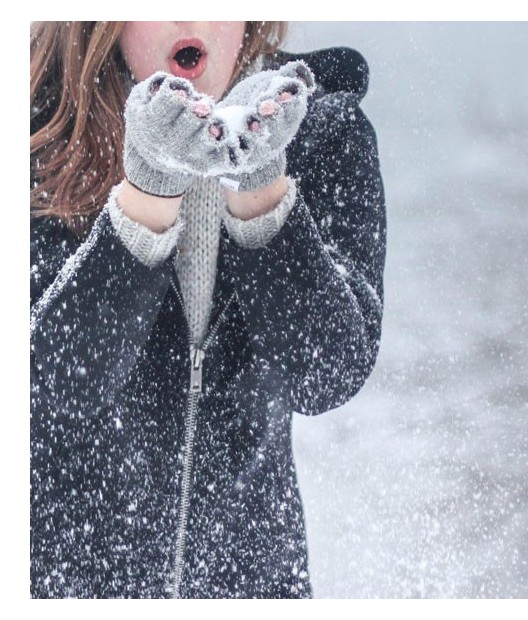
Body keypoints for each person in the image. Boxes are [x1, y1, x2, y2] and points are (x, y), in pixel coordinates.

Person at [29, 21, 386, 598]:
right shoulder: (36, 132)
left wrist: (261, 191)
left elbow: (327, 374)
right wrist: (149, 194)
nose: (188, 17)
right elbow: (45, 390)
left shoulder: (322, 132)